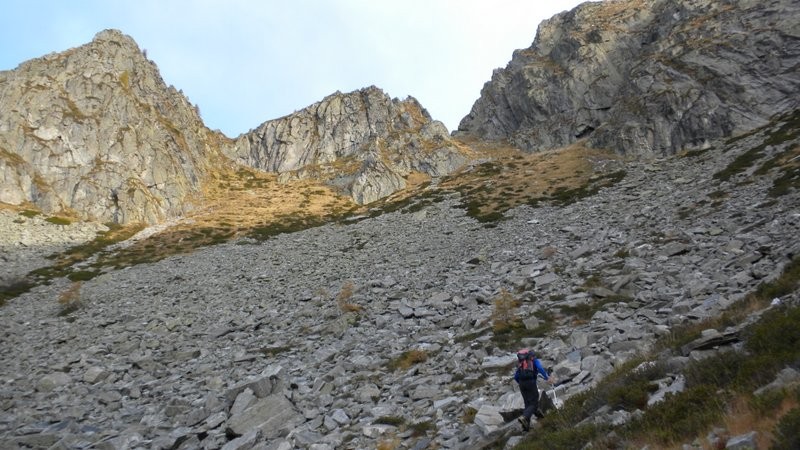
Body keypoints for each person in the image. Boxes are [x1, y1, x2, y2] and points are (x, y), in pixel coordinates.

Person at [514, 348, 552, 431]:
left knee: (527, 404)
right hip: (530, 382)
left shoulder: (520, 363)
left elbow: (515, 376)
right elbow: (540, 368)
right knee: (534, 403)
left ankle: (526, 427)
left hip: (521, 384)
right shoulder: (534, 360)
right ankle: (524, 417)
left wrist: (521, 383)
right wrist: (547, 377)